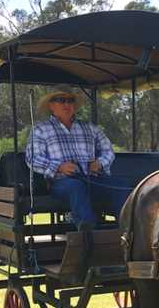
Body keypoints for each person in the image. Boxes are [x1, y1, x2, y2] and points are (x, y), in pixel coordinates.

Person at [25, 85, 130, 279]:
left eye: (70, 100)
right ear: (51, 106)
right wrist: (59, 166)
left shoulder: (90, 128)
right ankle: (89, 237)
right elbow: (32, 159)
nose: (66, 104)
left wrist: (99, 162)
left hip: (93, 180)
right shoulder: (41, 130)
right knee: (76, 187)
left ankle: (127, 231)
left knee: (122, 186)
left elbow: (108, 151)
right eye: (61, 100)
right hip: (62, 184)